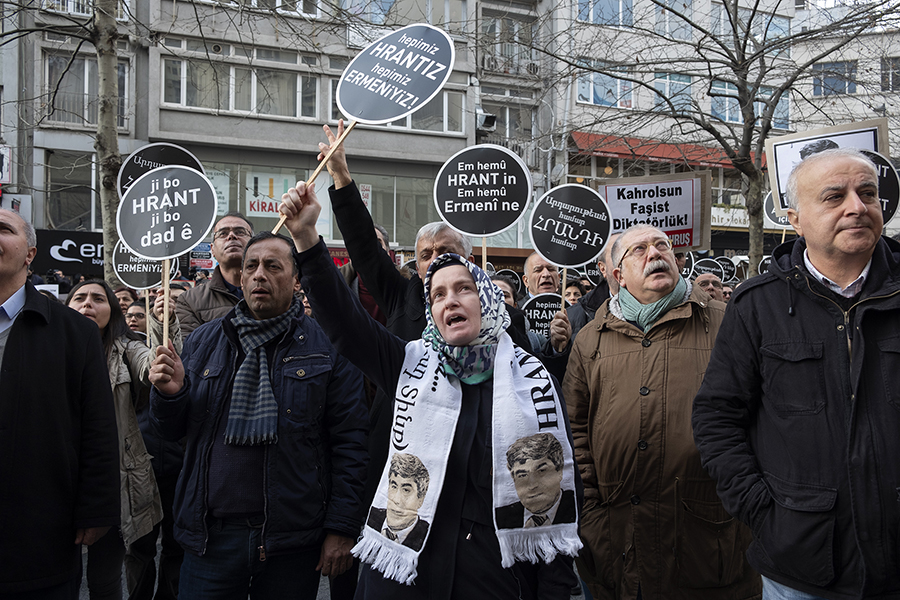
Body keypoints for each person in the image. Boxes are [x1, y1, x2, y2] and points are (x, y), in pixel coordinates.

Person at [280, 179, 582, 599]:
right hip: (405, 571)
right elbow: (344, 324)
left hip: (493, 574)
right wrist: (306, 238)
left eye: (463, 288)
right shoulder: (408, 361)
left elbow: (559, 489)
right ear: (430, 310)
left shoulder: (531, 380)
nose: (450, 299)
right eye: (437, 293)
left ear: (489, 301)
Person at [693, 148, 900, 599]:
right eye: (834, 196)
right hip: (802, 569)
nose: (857, 206)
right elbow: (717, 418)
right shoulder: (757, 304)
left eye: (868, 193)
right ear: (795, 218)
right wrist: (767, 514)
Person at [148, 231, 368, 598]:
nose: (258, 275)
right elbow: (171, 433)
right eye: (251, 266)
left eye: (272, 266)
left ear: (296, 280)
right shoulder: (204, 341)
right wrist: (169, 395)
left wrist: (342, 528)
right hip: (211, 539)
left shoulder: (327, 347)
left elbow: (351, 442)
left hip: (291, 541)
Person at [563, 224, 760, 600]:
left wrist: (747, 498)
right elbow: (576, 433)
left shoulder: (727, 321)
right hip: (617, 539)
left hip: (711, 539)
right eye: (639, 250)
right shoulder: (591, 337)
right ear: (618, 275)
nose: (655, 253)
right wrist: (590, 510)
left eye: (662, 246)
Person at [0, 209, 120, 598]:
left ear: (30, 253)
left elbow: (98, 427)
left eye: (3, 230)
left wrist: (97, 508)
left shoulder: (74, 332)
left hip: (38, 531)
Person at [66, 280, 168, 600]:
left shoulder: (127, 347)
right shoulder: (47, 347)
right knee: (59, 574)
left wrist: (163, 329)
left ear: (112, 311)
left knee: (105, 579)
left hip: (111, 480)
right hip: (59, 476)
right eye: (79, 298)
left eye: (98, 299)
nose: (87, 305)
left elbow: (149, 363)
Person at [175, 212, 253, 335]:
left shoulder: (275, 291)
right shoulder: (190, 301)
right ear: (212, 249)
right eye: (223, 233)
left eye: (240, 232)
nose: (232, 236)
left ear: (253, 244)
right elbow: (190, 350)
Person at [495, 433, 577, 530]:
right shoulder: (500, 518)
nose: (532, 485)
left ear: (559, 470)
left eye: (541, 471)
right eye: (522, 475)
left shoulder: (579, 506)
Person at [366, 453, 431, 552]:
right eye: (394, 486)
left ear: (420, 499)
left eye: (406, 490)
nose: (396, 500)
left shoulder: (426, 534)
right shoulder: (373, 517)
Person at [566, 233, 620, 343]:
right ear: (602, 268)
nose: (624, 258)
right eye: (616, 253)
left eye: (634, 251)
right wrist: (557, 349)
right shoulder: (574, 315)